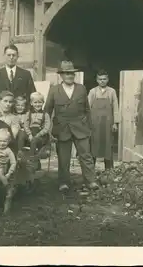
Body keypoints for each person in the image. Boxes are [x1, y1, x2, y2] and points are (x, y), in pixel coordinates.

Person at [44, 60, 99, 192]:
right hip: (62, 128)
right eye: (67, 74)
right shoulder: (54, 90)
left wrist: (89, 127)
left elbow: (87, 109)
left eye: (72, 74)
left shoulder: (81, 88)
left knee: (86, 155)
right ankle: (63, 182)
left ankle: (90, 180)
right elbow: (47, 110)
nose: (70, 76)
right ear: (61, 75)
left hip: (80, 127)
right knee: (64, 157)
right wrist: (47, 129)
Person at [88, 69, 120, 170]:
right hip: (95, 123)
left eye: (104, 79)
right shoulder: (93, 91)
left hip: (107, 123)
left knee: (108, 145)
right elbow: (87, 107)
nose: (102, 81)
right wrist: (88, 123)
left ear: (107, 80)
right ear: (97, 80)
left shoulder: (112, 91)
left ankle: (109, 170)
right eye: (100, 79)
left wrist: (115, 123)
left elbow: (115, 107)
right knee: (94, 144)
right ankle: (91, 170)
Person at [18, 92, 51, 158]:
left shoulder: (46, 115)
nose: (37, 104)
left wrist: (38, 135)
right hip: (30, 132)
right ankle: (20, 152)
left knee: (34, 140)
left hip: (41, 135)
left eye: (40, 102)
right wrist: (29, 134)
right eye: (35, 102)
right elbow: (26, 125)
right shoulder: (28, 113)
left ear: (43, 103)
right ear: (31, 103)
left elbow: (46, 128)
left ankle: (32, 157)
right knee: (21, 134)